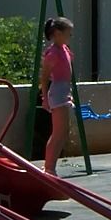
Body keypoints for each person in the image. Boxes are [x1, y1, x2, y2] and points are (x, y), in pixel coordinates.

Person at [39, 16, 75, 174]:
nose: (70, 37)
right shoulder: (53, 53)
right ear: (58, 34)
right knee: (58, 133)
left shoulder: (64, 49)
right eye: (68, 34)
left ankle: (50, 166)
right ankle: (49, 167)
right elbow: (44, 77)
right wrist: (45, 98)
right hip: (58, 93)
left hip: (64, 91)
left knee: (63, 132)